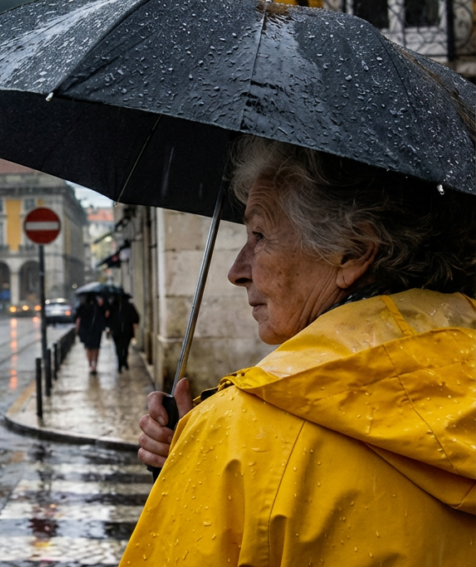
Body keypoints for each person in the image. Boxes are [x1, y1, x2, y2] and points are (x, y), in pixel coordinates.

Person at [124, 135, 476, 566]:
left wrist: (198, 473)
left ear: (352, 253)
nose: (236, 270)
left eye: (260, 235)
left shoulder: (240, 438)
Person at [74, 293, 106, 374]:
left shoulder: (82, 306)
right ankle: (95, 365)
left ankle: (90, 365)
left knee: (88, 347)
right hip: (96, 330)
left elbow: (77, 318)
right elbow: (105, 316)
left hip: (86, 330)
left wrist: (77, 329)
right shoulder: (98, 307)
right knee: (96, 347)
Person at [106, 294, 139, 372]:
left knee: (124, 347)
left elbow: (135, 316)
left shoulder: (129, 306)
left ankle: (123, 361)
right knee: (119, 348)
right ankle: (121, 362)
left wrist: (134, 322)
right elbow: (108, 319)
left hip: (126, 330)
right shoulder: (112, 307)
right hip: (117, 331)